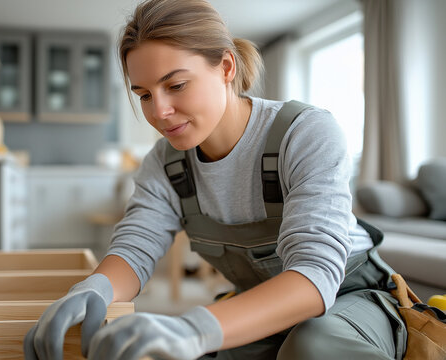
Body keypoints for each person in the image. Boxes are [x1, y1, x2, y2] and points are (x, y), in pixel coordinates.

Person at [24, 0, 407, 359]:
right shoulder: (164, 163)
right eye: (143, 95)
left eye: (175, 85)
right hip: (260, 299)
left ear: (226, 67)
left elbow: (315, 275)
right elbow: (135, 247)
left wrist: (191, 329)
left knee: (313, 346)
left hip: (352, 295)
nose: (159, 112)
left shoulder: (306, 132)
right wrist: (95, 289)